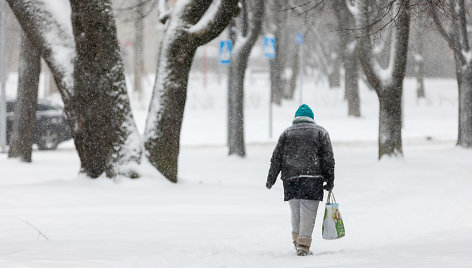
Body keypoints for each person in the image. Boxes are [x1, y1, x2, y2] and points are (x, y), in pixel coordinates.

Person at [266, 104, 335, 256]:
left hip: (290, 178)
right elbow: (328, 159)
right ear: (311, 118)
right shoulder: (320, 132)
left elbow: (276, 158)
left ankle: (297, 241)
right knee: (308, 211)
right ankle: (303, 246)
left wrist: (271, 179)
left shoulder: (287, 133)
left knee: (295, 211)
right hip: (312, 178)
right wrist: (330, 180)